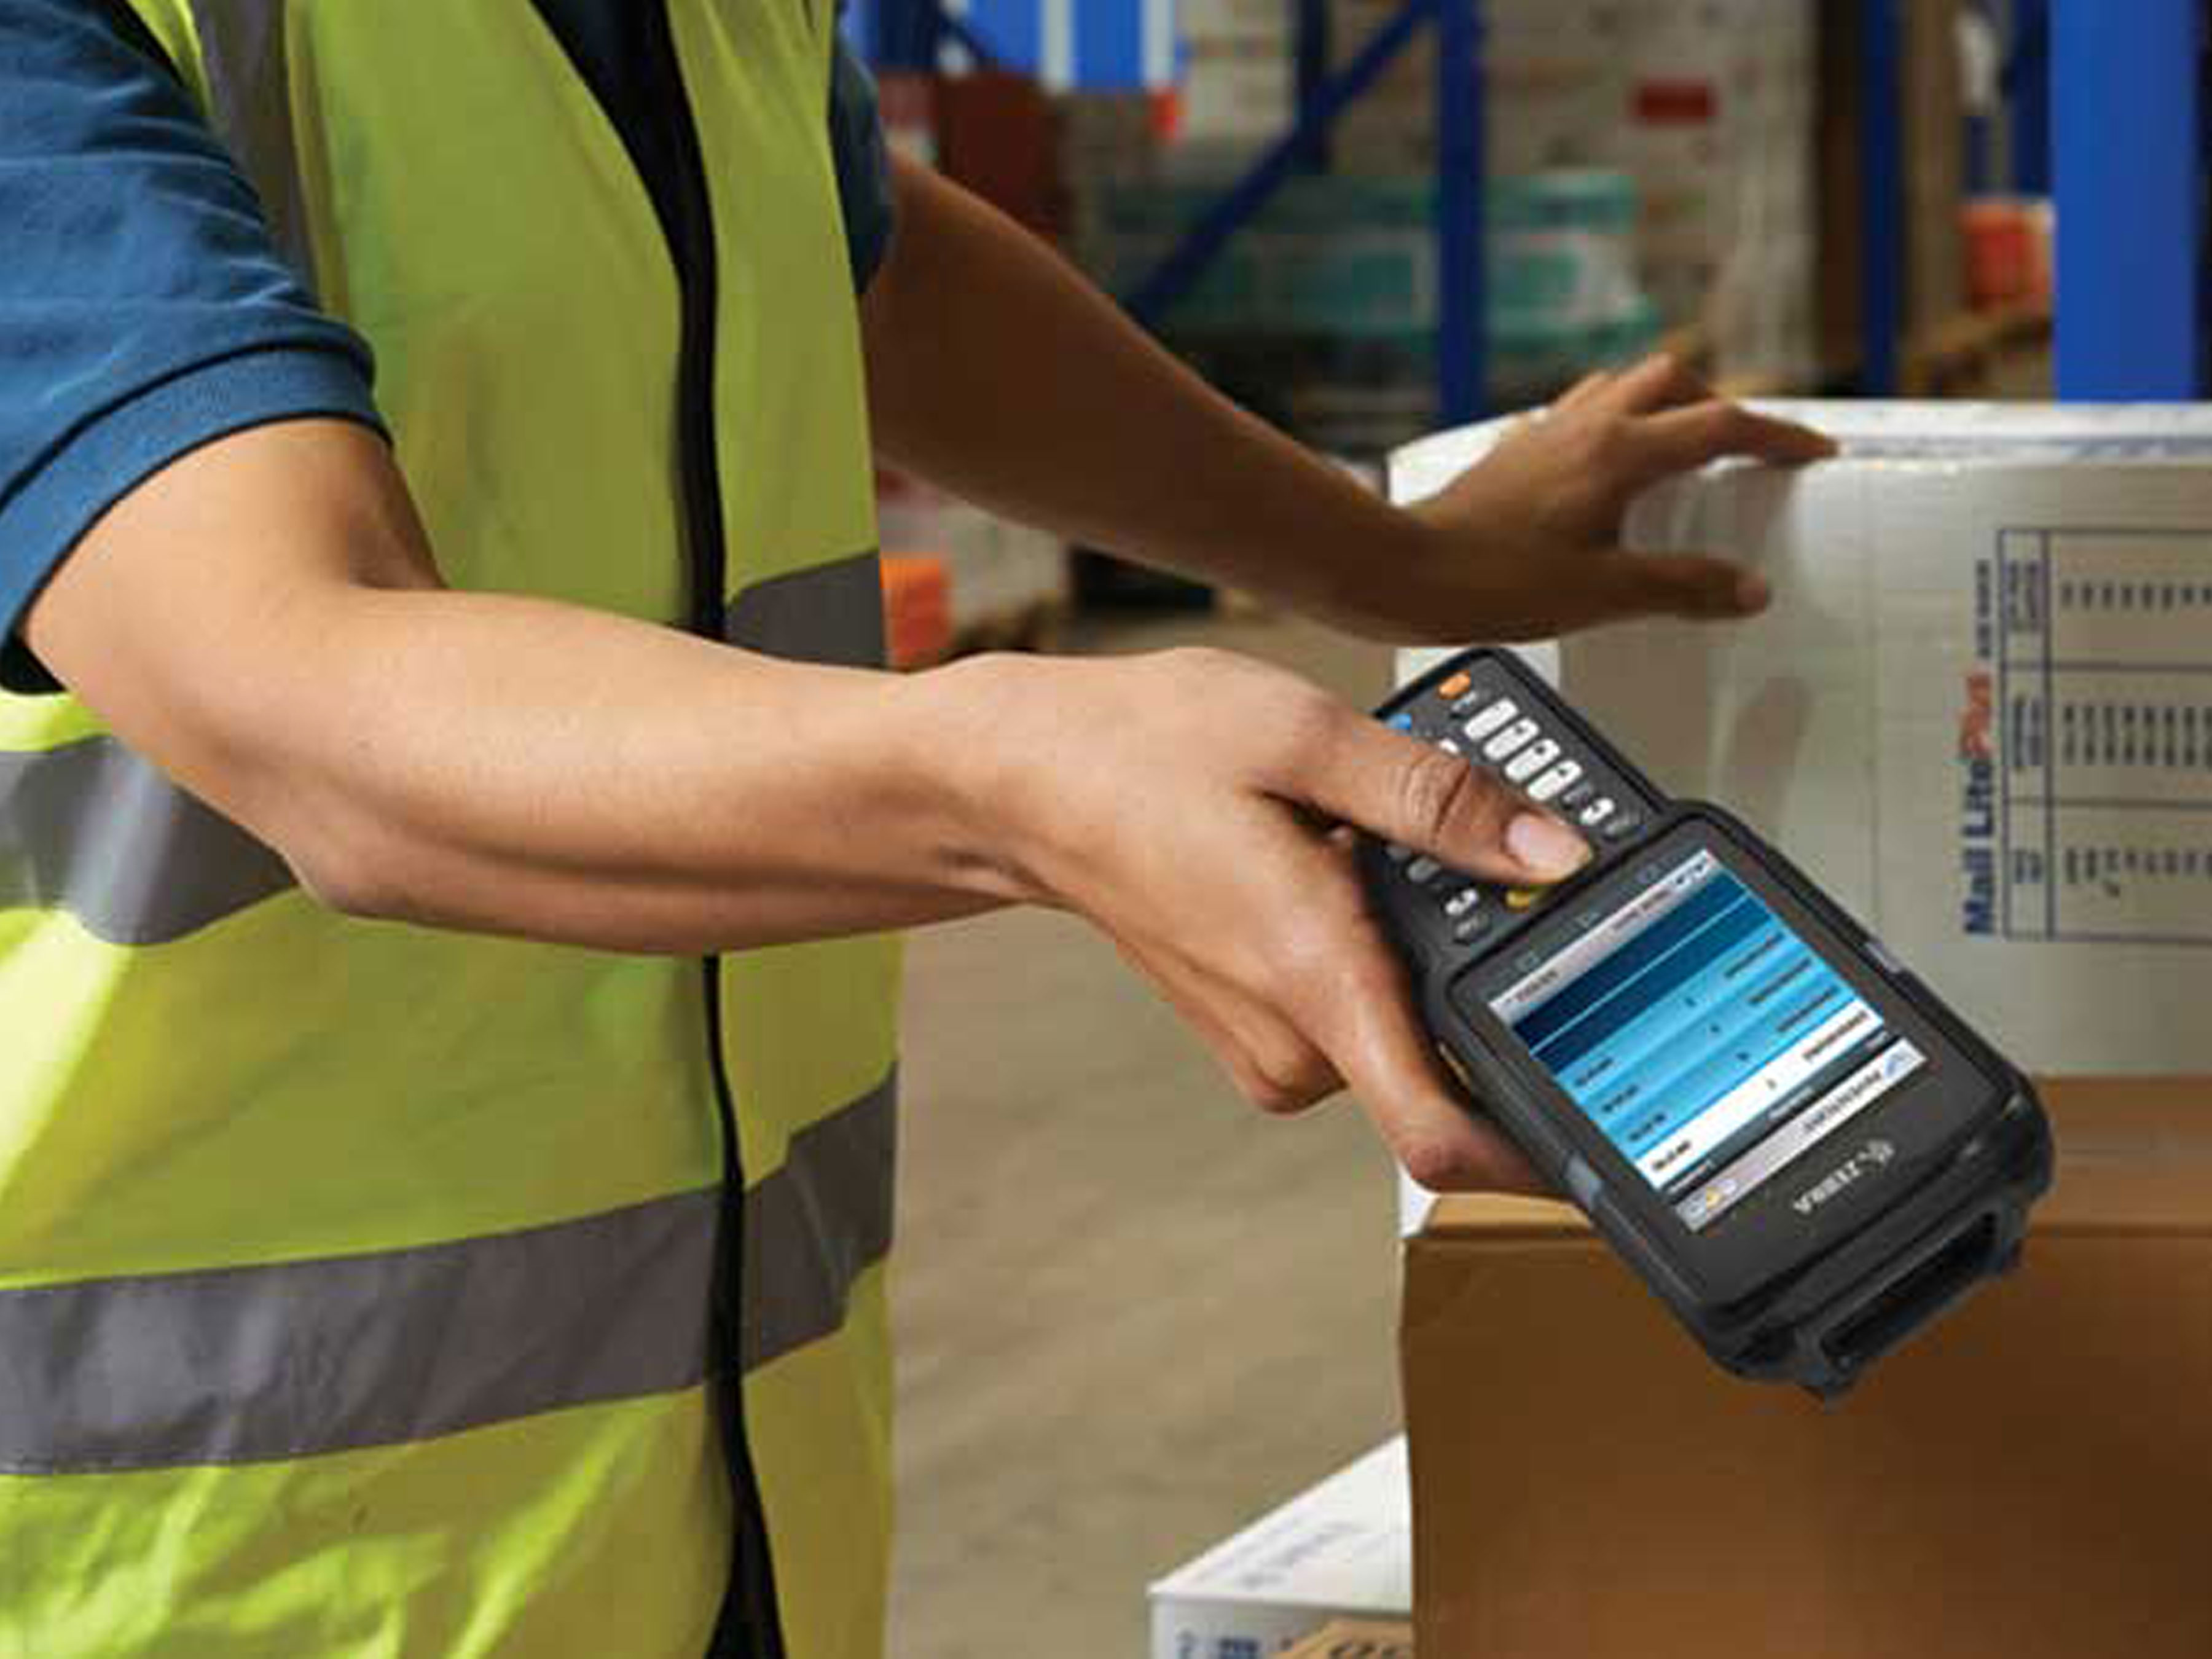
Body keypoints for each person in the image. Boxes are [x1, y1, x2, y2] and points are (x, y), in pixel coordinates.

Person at [0, 3, 1832, 1655]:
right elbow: (309, 698)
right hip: (205, 1566)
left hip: (706, 1511)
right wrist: (1012, 782)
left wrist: (1389, 554)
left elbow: (856, 262)